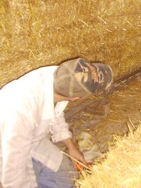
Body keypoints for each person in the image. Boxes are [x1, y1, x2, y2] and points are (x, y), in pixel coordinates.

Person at [0, 58, 113, 188]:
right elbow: (13, 175)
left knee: (69, 175)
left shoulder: (59, 75)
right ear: (76, 98)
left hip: (32, 139)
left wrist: (71, 147)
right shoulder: (19, 114)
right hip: (7, 151)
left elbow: (55, 112)